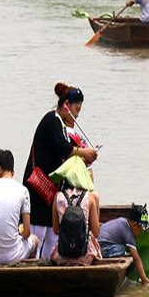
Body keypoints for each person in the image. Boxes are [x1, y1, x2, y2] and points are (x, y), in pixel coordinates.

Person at [23, 83, 99, 258]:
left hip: (51, 189)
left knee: (52, 232)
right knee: (39, 231)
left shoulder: (63, 126)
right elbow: (61, 148)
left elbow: (65, 155)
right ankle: (34, 266)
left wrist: (83, 157)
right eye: (76, 109)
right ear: (66, 105)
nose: (77, 115)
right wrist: (83, 152)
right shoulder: (51, 120)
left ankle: (48, 264)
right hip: (39, 188)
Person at [98, 204, 149, 285]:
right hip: (103, 247)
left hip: (98, 245)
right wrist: (144, 279)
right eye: (141, 229)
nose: (141, 232)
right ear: (134, 225)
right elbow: (136, 258)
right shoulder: (128, 233)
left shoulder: (122, 221)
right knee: (121, 249)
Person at [49, 181, 101, 265]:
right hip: (86, 257)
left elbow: (56, 230)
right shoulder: (90, 197)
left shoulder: (58, 196)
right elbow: (96, 232)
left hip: (61, 256)